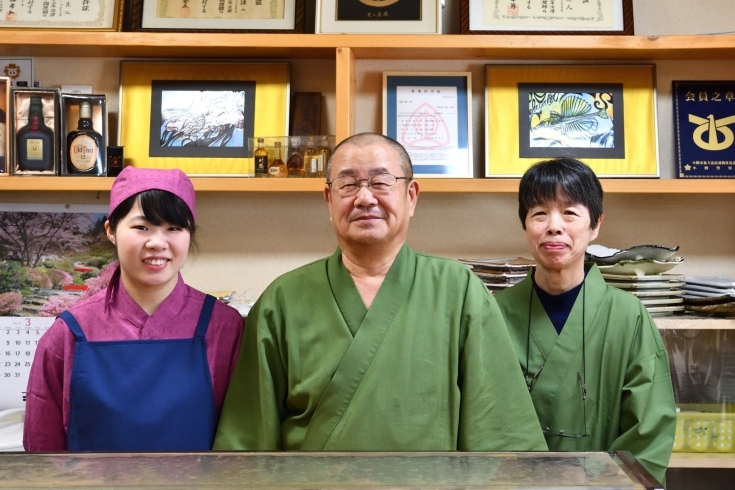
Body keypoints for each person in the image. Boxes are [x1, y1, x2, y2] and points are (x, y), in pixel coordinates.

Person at [213, 133, 547, 451]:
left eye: (380, 181)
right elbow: (247, 444)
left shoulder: (459, 292)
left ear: (411, 196)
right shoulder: (282, 300)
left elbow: (503, 435)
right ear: (329, 200)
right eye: (348, 184)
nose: (364, 197)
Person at [23, 167, 244, 452]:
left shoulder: (224, 328)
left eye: (174, 228)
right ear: (111, 231)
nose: (157, 243)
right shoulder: (68, 334)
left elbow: (242, 448)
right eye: (142, 227)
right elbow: (42, 453)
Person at [494, 157, 676, 483]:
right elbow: (478, 423)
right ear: (525, 226)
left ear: (595, 225)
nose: (554, 225)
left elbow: (649, 432)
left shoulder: (627, 317)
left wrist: (593, 481)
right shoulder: (494, 314)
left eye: (569, 212)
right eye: (539, 213)